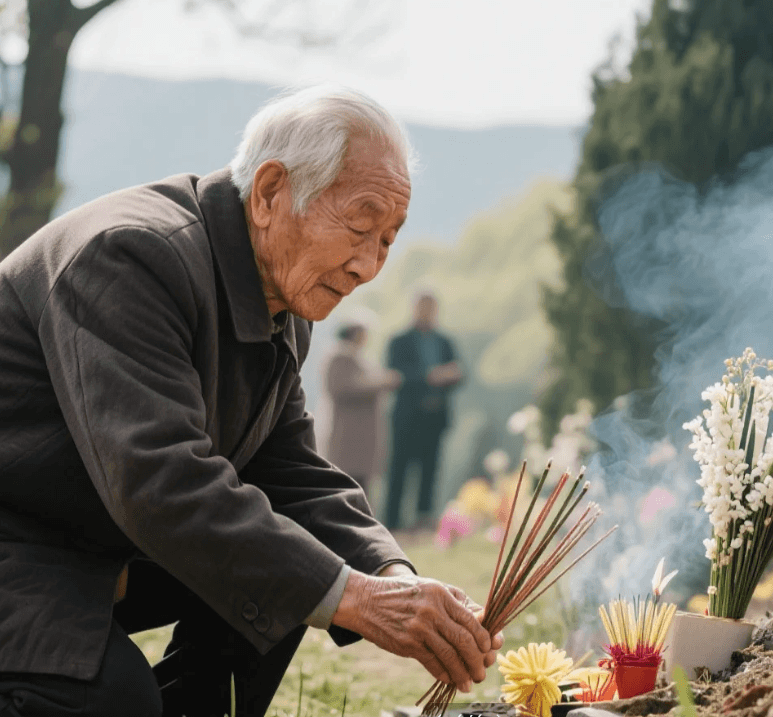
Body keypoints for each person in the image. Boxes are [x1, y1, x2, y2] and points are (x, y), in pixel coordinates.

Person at [0, 85, 501, 717]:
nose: (368, 266)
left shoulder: (281, 294)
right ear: (269, 194)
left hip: (91, 549)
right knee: (117, 702)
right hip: (21, 550)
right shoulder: (129, 257)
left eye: (387, 240)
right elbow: (157, 480)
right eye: (359, 226)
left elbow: (286, 468)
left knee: (287, 575)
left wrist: (388, 578)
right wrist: (352, 596)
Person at [384, 292, 464, 530]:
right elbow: (394, 375)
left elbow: (458, 372)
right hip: (407, 417)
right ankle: (393, 522)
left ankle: (424, 519)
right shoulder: (399, 341)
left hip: (435, 417)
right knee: (399, 470)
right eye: (423, 306)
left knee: (430, 470)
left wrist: (450, 376)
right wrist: (429, 376)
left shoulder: (445, 341)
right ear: (415, 308)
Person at [323, 316, 402, 508]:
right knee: (346, 484)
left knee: (362, 486)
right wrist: (382, 382)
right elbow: (344, 387)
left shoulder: (358, 357)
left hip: (363, 437)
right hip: (348, 435)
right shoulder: (340, 356)